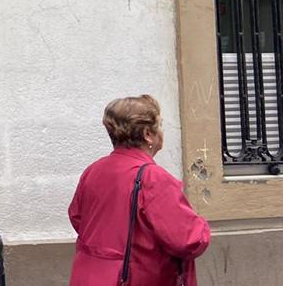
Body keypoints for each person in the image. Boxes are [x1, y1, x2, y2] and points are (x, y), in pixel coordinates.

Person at [68, 95, 210, 286]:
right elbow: (187, 240)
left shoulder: (94, 170)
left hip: (88, 277)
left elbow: (77, 217)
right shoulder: (154, 179)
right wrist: (201, 227)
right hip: (135, 277)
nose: (161, 132)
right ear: (148, 134)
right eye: (159, 126)